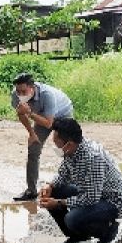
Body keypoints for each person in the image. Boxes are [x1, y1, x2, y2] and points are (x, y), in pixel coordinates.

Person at [38, 117, 122, 243]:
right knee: (55, 190)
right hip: (91, 193)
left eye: (57, 144)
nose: (55, 147)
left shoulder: (93, 158)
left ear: (68, 144)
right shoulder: (71, 151)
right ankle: (79, 237)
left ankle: (109, 230)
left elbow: (91, 198)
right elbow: (63, 173)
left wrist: (58, 203)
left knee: (71, 219)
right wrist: (50, 186)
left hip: (111, 201)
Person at [10, 73, 74, 201]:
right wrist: (32, 134)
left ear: (32, 87)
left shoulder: (47, 94)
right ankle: (31, 191)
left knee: (67, 150)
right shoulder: (15, 95)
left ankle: (72, 187)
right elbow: (21, 114)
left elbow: (49, 123)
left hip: (62, 114)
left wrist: (29, 112)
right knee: (33, 149)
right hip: (41, 116)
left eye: (24, 91)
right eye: (18, 91)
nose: (21, 94)